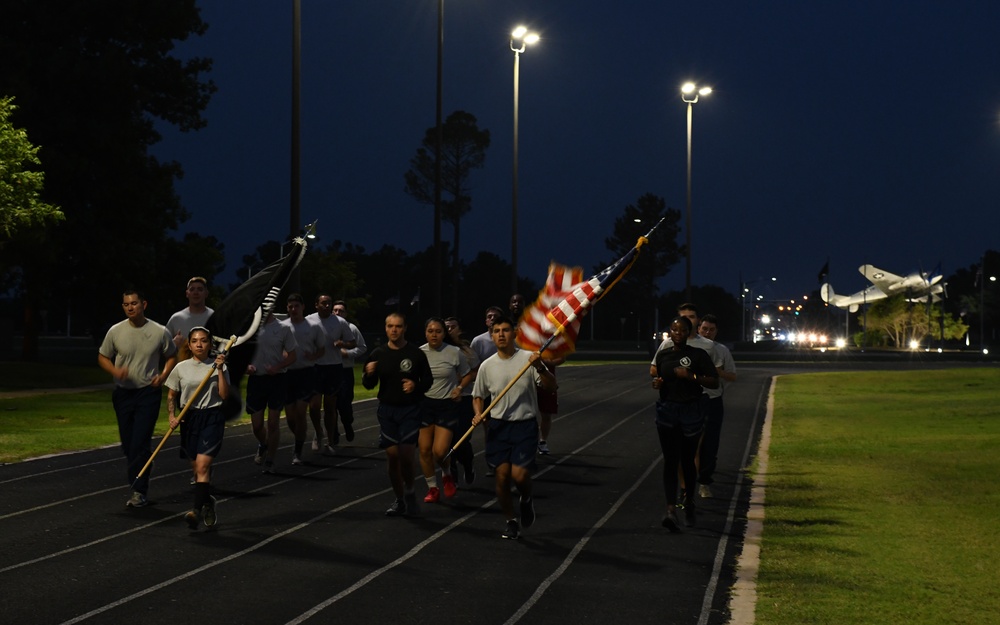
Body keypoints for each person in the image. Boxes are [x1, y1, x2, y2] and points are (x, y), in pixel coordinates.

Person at [471, 315, 557, 540]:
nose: (501, 334)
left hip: (524, 426)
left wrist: (540, 367)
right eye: (496, 330)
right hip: (498, 427)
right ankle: (510, 521)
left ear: (514, 333)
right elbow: (478, 395)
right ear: (492, 335)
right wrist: (478, 414)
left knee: (519, 476)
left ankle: (526, 499)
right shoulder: (487, 366)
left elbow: (551, 386)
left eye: (505, 330)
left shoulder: (529, 359)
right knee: (501, 477)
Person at [98, 289, 177, 508]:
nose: (130, 307)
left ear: (144, 304)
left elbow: (171, 356)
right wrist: (115, 372)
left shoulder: (159, 331)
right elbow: (103, 356)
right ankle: (139, 472)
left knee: (140, 442)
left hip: (147, 393)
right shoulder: (115, 331)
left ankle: (139, 490)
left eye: (134, 303)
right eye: (126, 304)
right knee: (128, 445)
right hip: (123, 394)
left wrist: (162, 376)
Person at [651, 316, 718, 532]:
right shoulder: (663, 355)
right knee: (670, 461)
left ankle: (688, 503)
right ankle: (671, 510)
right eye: (674, 329)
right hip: (668, 411)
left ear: (689, 332)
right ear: (669, 332)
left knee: (688, 461)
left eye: (681, 330)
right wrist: (657, 383)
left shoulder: (698, 355)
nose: (677, 333)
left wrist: (691, 375)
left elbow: (714, 381)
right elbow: (659, 380)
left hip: (691, 411)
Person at [362, 313, 433, 517]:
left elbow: (428, 380)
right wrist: (369, 373)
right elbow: (369, 385)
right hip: (387, 411)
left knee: (407, 455)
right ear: (385, 328)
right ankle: (400, 499)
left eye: (398, 326)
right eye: (390, 326)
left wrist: (415, 385)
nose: (394, 330)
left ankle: (410, 490)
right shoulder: (378, 354)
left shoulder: (416, 354)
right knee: (392, 457)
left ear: (405, 328)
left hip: (410, 410)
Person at [165, 327, 229, 529]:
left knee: (202, 466)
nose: (199, 344)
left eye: (203, 341)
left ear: (210, 344)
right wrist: (172, 416)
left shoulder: (218, 366)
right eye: (195, 341)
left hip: (212, 416)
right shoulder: (181, 368)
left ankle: (196, 511)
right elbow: (171, 395)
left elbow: (224, 395)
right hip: (189, 418)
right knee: (196, 470)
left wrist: (219, 369)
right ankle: (207, 502)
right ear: (189, 345)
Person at [419, 317, 473, 503]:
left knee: (440, 452)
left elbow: (468, 374)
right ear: (425, 333)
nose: (434, 334)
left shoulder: (454, 352)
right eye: (430, 331)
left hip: (446, 406)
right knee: (425, 450)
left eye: (438, 331)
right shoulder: (419, 353)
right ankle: (432, 488)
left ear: (444, 333)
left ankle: (447, 473)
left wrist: (459, 388)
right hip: (425, 405)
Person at [245, 311, 297, 473]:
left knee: (273, 422)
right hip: (256, 380)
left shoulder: (283, 328)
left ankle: (270, 460)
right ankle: (264, 444)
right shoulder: (249, 329)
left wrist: (278, 366)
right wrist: (246, 367)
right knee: (257, 425)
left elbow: (293, 355)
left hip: (277, 380)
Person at [306, 295, 357, 452]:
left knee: (330, 406)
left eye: (329, 303)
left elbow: (353, 342)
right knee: (314, 406)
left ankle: (330, 440)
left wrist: (343, 344)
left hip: (333, 367)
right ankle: (318, 432)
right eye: (323, 303)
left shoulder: (340, 322)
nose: (327, 306)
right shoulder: (309, 320)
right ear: (316, 305)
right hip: (315, 367)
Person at [695, 314, 737, 498]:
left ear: (716, 331)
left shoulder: (722, 350)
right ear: (698, 329)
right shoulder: (689, 347)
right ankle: (688, 481)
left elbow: (733, 376)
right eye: (704, 329)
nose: (707, 332)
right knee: (689, 442)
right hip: (691, 400)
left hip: (713, 401)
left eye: (711, 330)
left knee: (710, 443)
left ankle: (704, 481)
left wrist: (718, 372)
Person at [282, 293, 326, 465]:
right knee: (291, 418)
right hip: (287, 374)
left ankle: (297, 450)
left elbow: (322, 349)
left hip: (306, 373)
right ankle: (299, 437)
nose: (293, 309)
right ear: (287, 308)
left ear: (303, 307)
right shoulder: (282, 326)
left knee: (301, 412)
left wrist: (313, 355)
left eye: (296, 306)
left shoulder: (313, 327)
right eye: (290, 306)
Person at [445, 316, 478, 485]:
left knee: (461, 438)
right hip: (444, 400)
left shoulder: (467, 350)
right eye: (447, 327)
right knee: (447, 439)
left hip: (465, 398)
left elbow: (475, 372)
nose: (449, 329)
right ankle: (452, 471)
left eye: (453, 326)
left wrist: (459, 378)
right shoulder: (439, 349)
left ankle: (467, 463)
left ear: (459, 330)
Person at [470, 305, 503, 476]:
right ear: (485, 320)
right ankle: (492, 461)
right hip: (486, 392)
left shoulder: (508, 338)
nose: (491, 319)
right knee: (489, 428)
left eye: (495, 316)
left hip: (505, 390)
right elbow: (474, 367)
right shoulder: (478, 341)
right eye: (489, 316)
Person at [166, 276, 214, 362]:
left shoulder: (214, 317)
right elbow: (163, 349)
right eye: (192, 289)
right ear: (187, 294)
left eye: (200, 289)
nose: (196, 292)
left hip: (209, 369)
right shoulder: (176, 318)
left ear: (206, 293)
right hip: (182, 370)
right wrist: (173, 344)